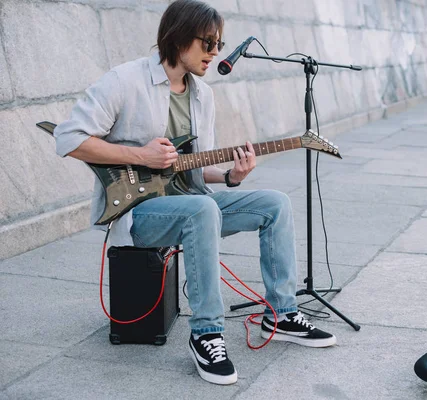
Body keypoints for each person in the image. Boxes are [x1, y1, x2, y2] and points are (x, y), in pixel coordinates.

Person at [53, 0, 336, 386]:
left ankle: (282, 313)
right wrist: (140, 155)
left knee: (275, 204)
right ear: (179, 37)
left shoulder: (202, 95)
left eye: (219, 43)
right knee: (201, 209)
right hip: (138, 213)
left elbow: (194, 165)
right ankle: (206, 333)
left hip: (194, 202)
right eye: (208, 42)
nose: (216, 52)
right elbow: (67, 137)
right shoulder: (124, 81)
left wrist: (232, 176)